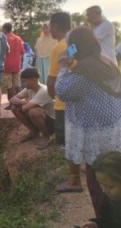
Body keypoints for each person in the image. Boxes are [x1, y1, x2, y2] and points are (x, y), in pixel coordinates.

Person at [55, 27, 121, 218]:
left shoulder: (85, 70)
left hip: (97, 136)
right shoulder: (107, 62)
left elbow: (63, 91)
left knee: (99, 184)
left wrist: (64, 66)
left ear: (75, 47)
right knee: (116, 182)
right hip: (113, 130)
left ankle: (104, 220)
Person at [79, 151, 121, 228]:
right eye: (100, 185)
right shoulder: (110, 199)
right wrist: (98, 225)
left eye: (111, 187)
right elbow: (108, 221)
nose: (104, 190)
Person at [9, 68, 55, 150]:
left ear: (34, 80)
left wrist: (26, 104)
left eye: (25, 81)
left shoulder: (43, 91)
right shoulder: (29, 89)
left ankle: (46, 136)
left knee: (33, 112)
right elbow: (12, 100)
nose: (23, 83)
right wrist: (25, 102)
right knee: (14, 107)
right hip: (42, 118)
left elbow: (25, 109)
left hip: (52, 122)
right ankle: (33, 131)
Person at [47, 12, 72, 147]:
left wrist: (54, 96)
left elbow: (51, 80)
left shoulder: (58, 47)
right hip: (77, 101)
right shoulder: (75, 43)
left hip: (63, 103)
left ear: (55, 26)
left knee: (63, 142)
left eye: (50, 26)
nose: (49, 29)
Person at [2, 22, 25, 106]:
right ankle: (19, 102)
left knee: (9, 86)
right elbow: (22, 51)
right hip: (17, 65)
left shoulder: (4, 38)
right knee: (17, 85)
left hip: (7, 65)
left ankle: (12, 104)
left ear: (4, 29)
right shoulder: (18, 38)